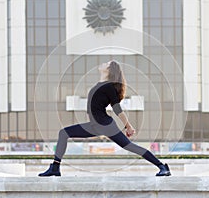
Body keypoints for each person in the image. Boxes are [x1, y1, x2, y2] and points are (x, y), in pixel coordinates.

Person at [38, 60, 171, 177]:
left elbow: (117, 108)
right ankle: (55, 168)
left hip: (105, 125)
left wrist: (128, 126)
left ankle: (162, 167)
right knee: (63, 133)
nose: (103, 63)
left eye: (107, 63)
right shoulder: (101, 84)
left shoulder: (109, 86)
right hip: (95, 125)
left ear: (109, 70)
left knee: (130, 146)